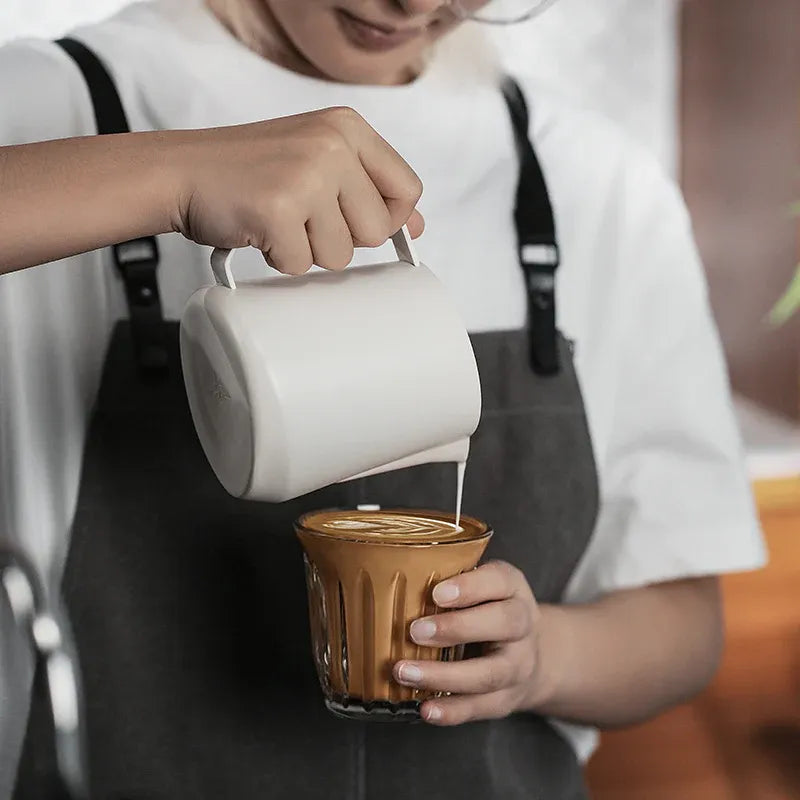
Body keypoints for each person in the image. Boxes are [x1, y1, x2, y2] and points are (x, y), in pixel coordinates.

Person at [0, 1, 765, 799]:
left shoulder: (593, 180)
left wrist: (546, 658)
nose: (417, 3)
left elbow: (684, 622)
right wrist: (161, 176)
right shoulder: (52, 108)